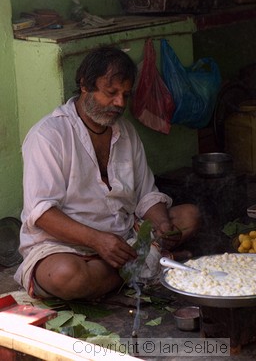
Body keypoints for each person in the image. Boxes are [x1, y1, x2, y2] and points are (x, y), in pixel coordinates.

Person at [15, 46, 200, 301]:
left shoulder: (125, 132)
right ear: (84, 85)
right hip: (64, 246)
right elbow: (42, 213)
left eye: (126, 94)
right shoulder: (48, 135)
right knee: (68, 277)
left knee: (189, 216)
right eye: (111, 93)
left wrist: (161, 224)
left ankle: (135, 266)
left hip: (125, 239)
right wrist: (98, 241)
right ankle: (145, 267)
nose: (120, 103)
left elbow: (146, 193)